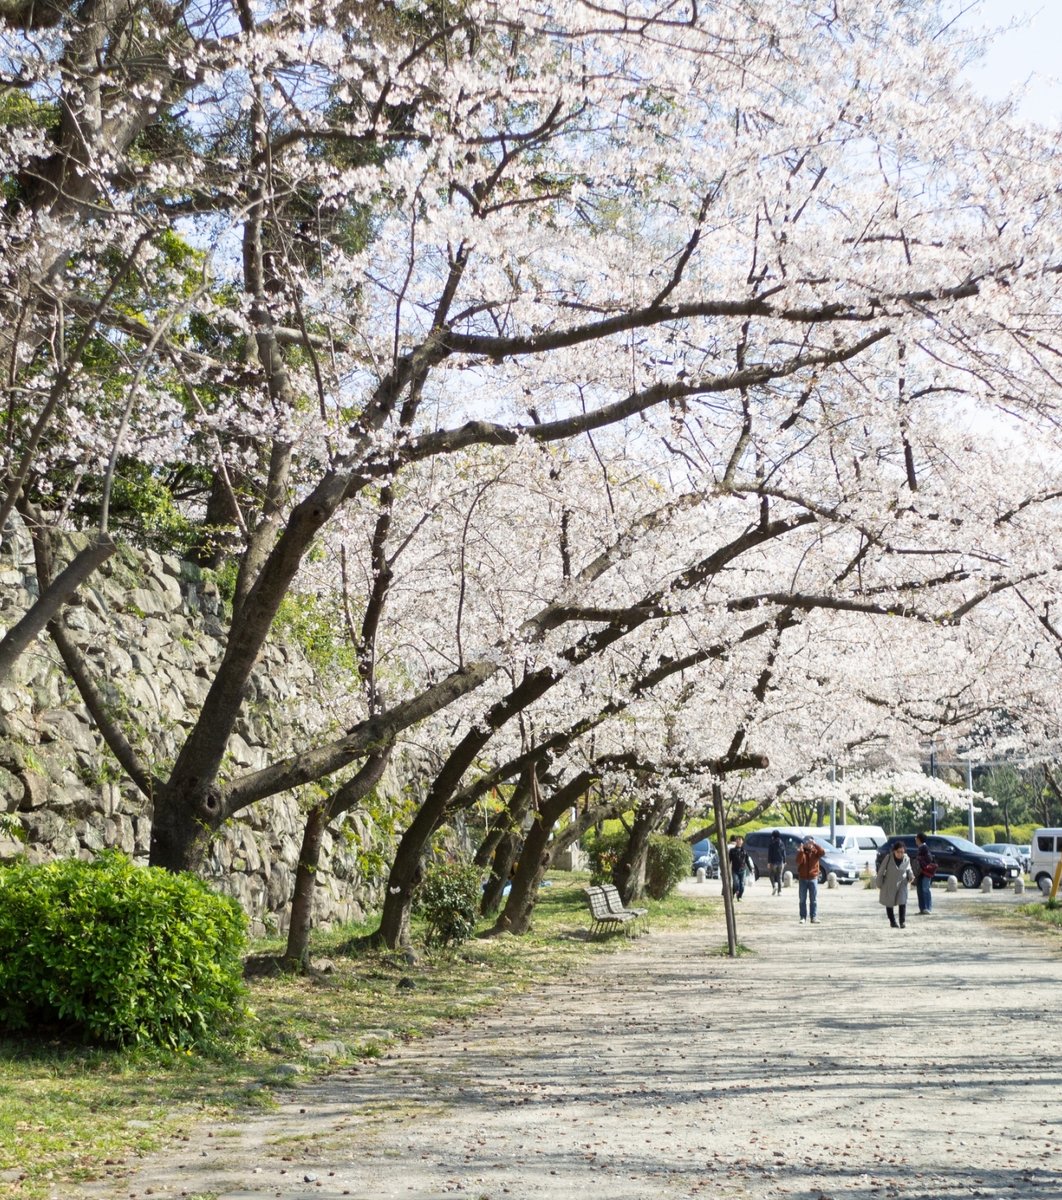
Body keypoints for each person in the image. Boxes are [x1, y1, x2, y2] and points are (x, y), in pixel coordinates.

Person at [875, 840, 915, 928]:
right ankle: (892, 921)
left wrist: (911, 876)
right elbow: (881, 871)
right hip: (889, 883)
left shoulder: (906, 858)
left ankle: (902, 921)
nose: (900, 854)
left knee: (902, 901)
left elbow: (909, 869)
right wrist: (879, 883)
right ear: (894, 851)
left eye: (902, 852)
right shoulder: (888, 858)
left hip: (902, 883)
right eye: (898, 852)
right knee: (889, 902)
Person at [795, 835, 826, 924]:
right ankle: (803, 917)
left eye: (810, 842)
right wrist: (801, 851)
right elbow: (798, 861)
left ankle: (814, 917)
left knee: (814, 899)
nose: (808, 844)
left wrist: (815, 845)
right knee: (802, 899)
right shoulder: (802, 852)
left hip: (813, 878)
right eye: (806, 842)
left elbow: (823, 853)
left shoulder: (815, 851)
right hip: (803, 878)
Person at [913, 831, 935, 915]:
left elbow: (929, 859)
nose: (915, 840)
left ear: (919, 839)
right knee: (920, 890)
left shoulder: (924, 848)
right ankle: (922, 908)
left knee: (925, 889)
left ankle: (927, 908)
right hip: (920, 873)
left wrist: (920, 861)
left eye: (916, 838)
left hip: (925, 872)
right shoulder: (920, 848)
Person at [728, 835, 752, 900]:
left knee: (742, 885)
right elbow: (729, 861)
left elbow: (747, 861)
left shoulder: (744, 851)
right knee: (736, 883)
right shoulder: (732, 851)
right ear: (736, 841)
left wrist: (750, 869)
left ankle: (739, 896)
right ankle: (733, 893)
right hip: (734, 870)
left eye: (740, 839)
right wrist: (727, 869)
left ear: (742, 842)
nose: (738, 840)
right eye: (737, 839)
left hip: (743, 870)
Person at [767, 829, 786, 895]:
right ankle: (779, 891)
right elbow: (784, 853)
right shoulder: (782, 843)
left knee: (771, 874)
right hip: (780, 862)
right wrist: (784, 861)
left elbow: (770, 853)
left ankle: (774, 886)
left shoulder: (771, 843)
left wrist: (769, 862)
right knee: (779, 876)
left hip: (773, 862)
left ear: (773, 836)